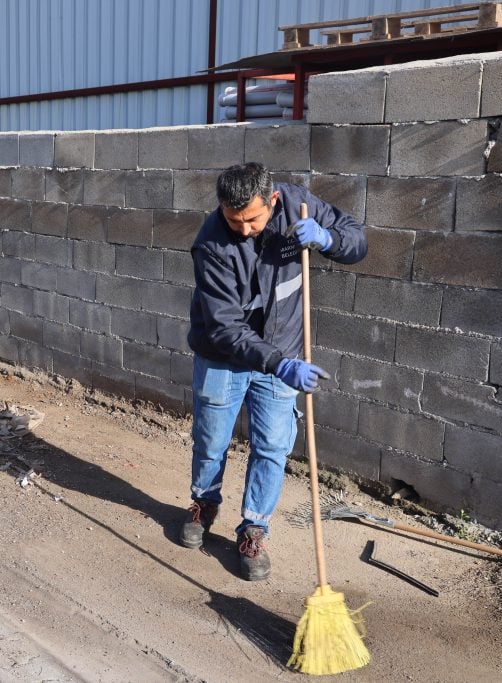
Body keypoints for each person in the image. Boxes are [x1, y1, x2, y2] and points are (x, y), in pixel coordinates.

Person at [182, 162, 368, 581]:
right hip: (224, 356)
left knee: (272, 447)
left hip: (282, 353)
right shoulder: (212, 243)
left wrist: (329, 239)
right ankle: (204, 503)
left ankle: (253, 529)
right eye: (234, 220)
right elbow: (226, 327)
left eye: (252, 219)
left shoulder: (300, 206)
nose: (243, 229)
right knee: (211, 440)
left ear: (273, 201)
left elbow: (357, 239)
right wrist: (280, 364)